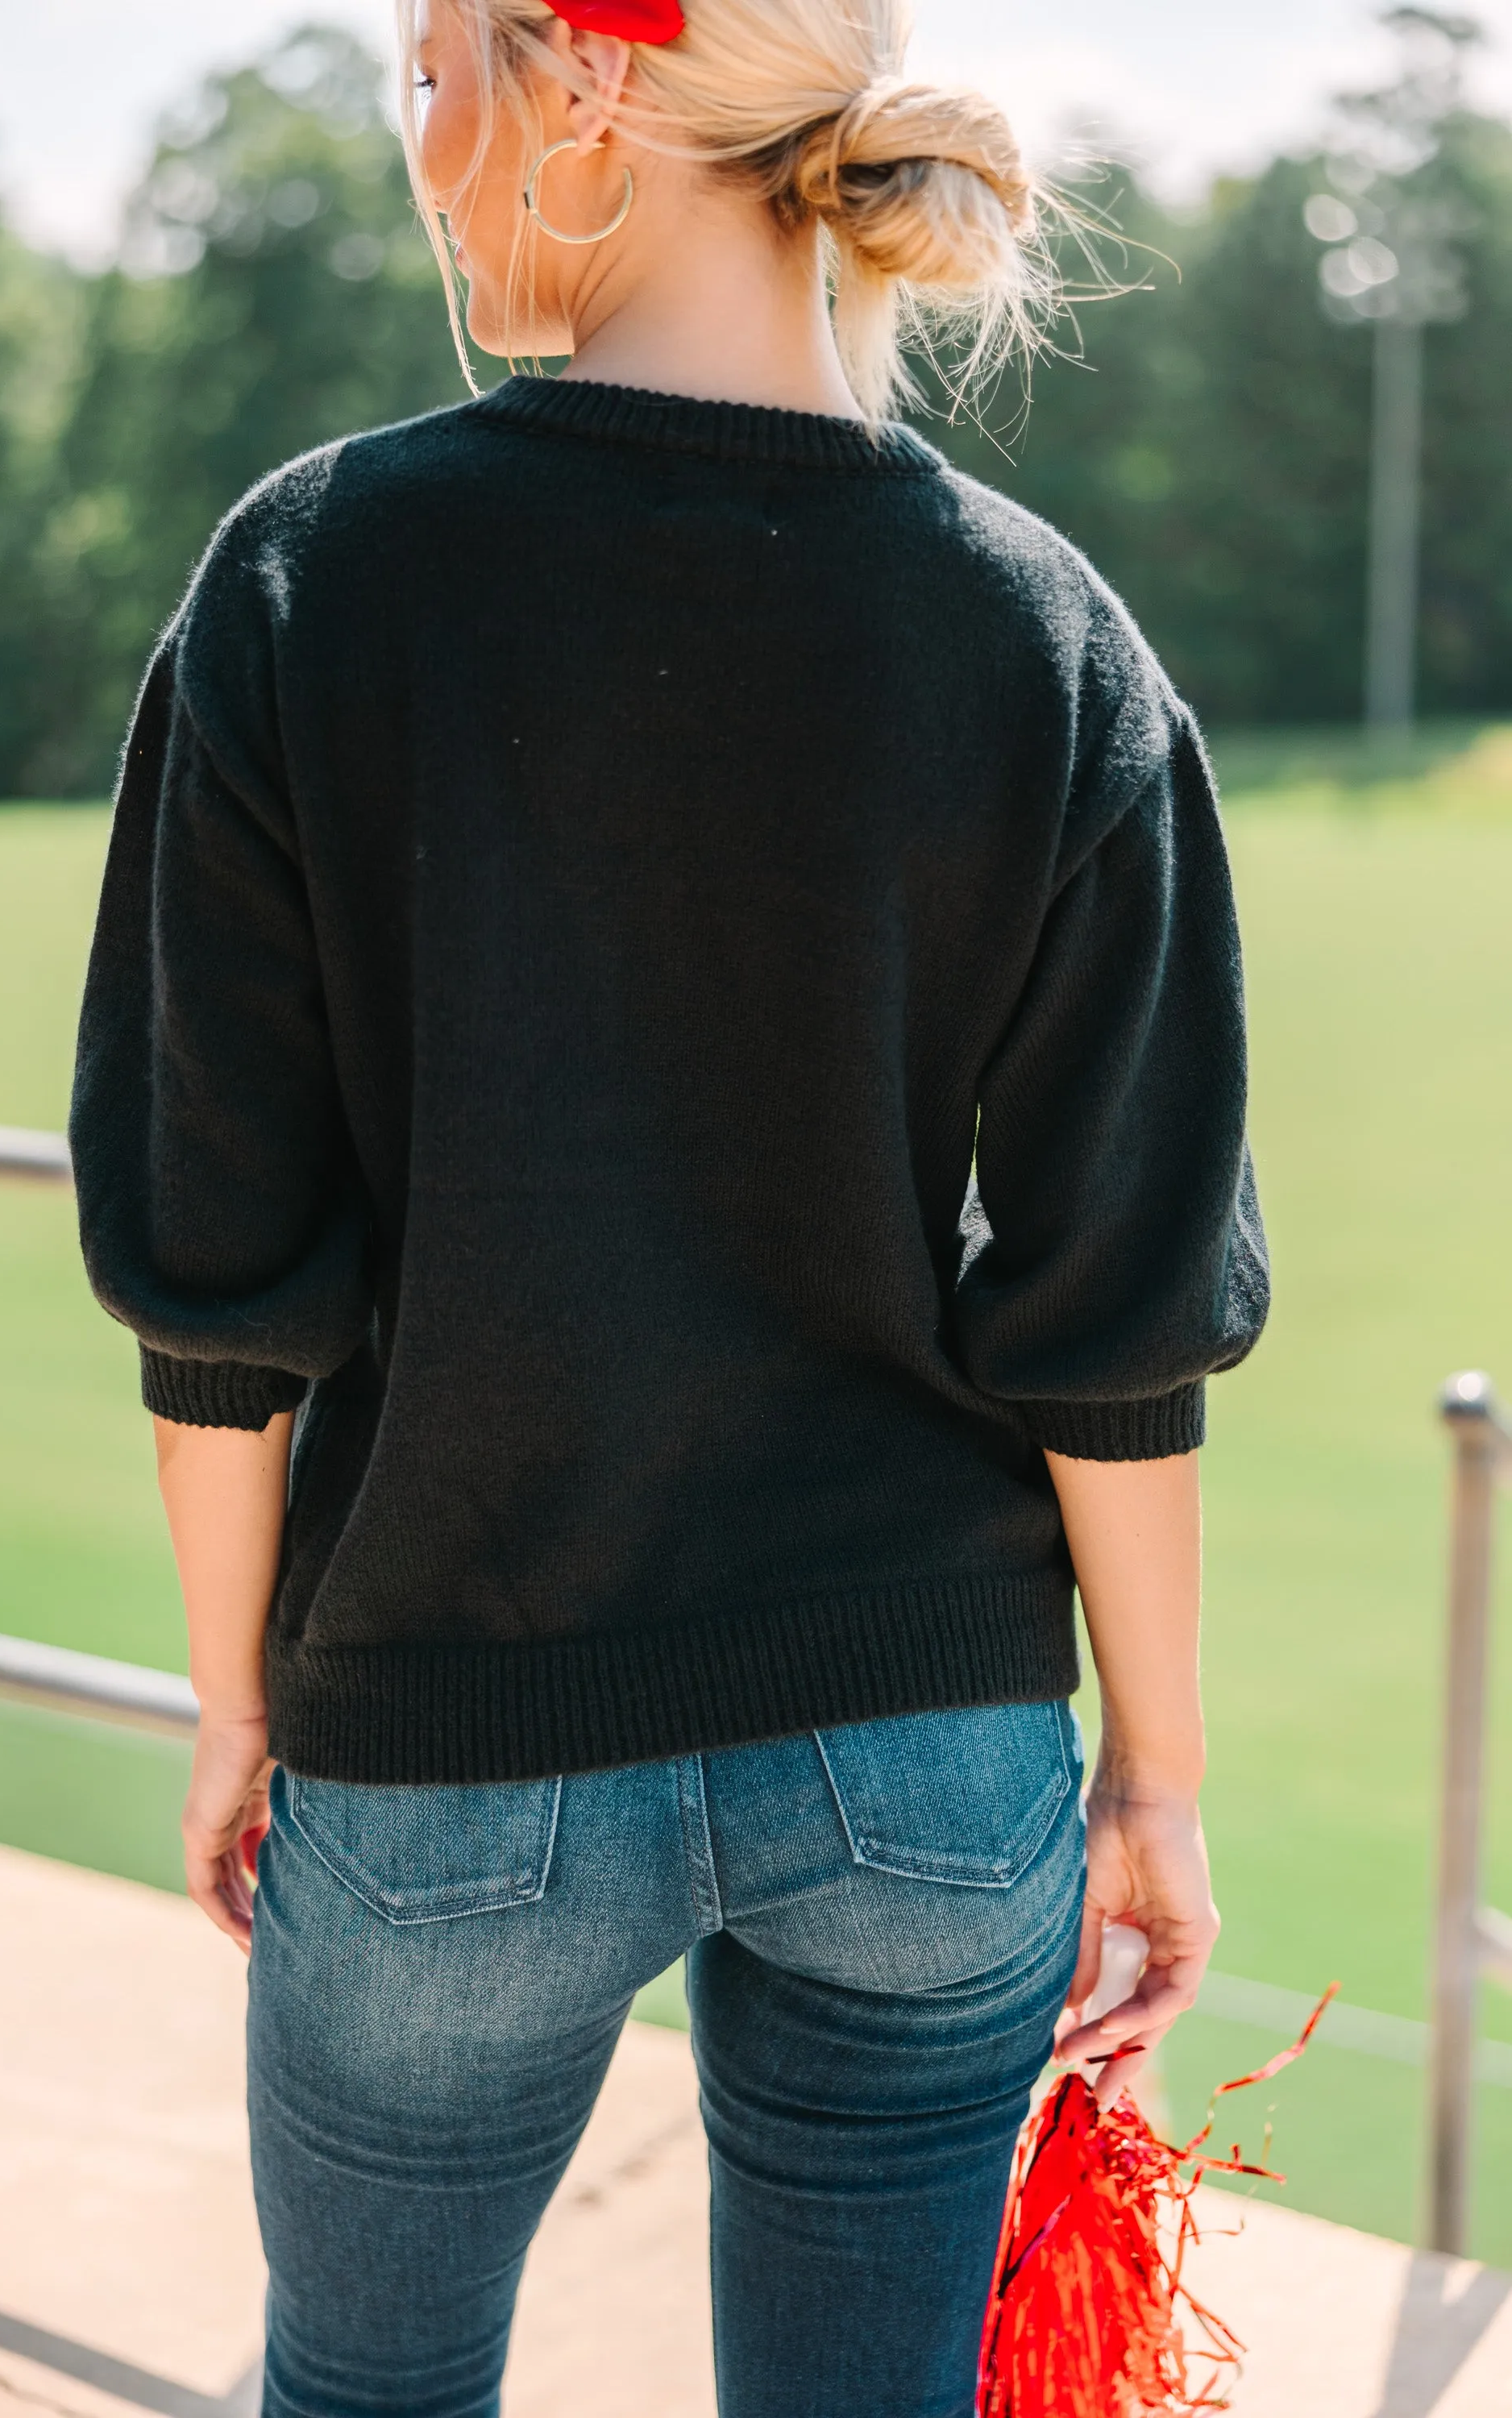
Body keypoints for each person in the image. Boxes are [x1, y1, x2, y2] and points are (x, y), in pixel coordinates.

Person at [70, 1, 1269, 2411]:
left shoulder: (317, 570)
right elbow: (1114, 1307)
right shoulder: (1043, 626)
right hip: (932, 1751)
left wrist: (236, 1712)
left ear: (584, 79)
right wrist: (1155, 1779)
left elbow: (219, 1280)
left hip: (442, 1741)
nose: (418, 143)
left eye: (430, 70)